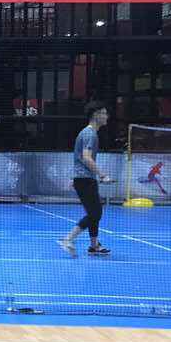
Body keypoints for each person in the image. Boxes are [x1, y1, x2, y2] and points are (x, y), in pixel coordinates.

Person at [59, 101, 112, 257]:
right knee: (95, 213)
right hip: (84, 179)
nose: (107, 116)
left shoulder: (87, 132)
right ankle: (68, 239)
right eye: (104, 113)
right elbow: (86, 158)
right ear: (96, 115)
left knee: (94, 212)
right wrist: (102, 175)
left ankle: (94, 246)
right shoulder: (90, 134)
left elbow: (80, 158)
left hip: (83, 178)